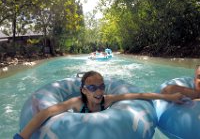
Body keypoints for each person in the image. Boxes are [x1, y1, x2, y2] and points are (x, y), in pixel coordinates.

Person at [14, 71, 184, 139]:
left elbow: (138, 95)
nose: (98, 91)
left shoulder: (107, 100)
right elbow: (46, 113)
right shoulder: (76, 103)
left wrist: (167, 97)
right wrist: (21, 137)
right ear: (83, 90)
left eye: (101, 86)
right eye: (92, 87)